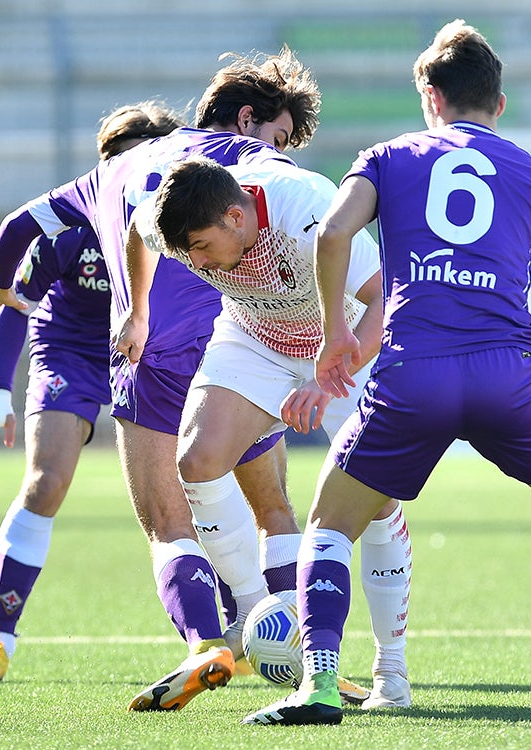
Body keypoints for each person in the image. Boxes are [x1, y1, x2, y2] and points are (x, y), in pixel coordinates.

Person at [241, 19, 531, 726]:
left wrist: (335, 340)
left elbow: (331, 234)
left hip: (414, 376)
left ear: (430, 96)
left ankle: (320, 686)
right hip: (512, 378)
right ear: (498, 104)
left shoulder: (388, 157)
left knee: (326, 528)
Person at [0, 47, 373, 712]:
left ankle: (208, 642)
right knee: (275, 508)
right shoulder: (228, 167)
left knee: (167, 518)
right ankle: (298, 653)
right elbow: (295, 189)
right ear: (247, 121)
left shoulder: (109, 176)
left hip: (150, 348)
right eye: (276, 133)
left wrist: (7, 282)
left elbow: (20, 227)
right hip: (234, 344)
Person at [120, 154, 413, 711]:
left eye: (201, 248)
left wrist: (329, 380)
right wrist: (138, 313)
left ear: (237, 215)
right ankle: (259, 618)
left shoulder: (305, 211)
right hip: (257, 339)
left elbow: (385, 301)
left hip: (345, 343)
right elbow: (139, 228)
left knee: (376, 500)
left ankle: (390, 670)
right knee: (199, 460)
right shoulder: (185, 223)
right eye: (184, 252)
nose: (194, 262)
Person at [0, 101, 188, 684]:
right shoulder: (70, 222)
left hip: (146, 346)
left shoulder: (177, 216)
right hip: (72, 350)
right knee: (47, 479)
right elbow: (13, 302)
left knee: (191, 485)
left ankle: (226, 628)